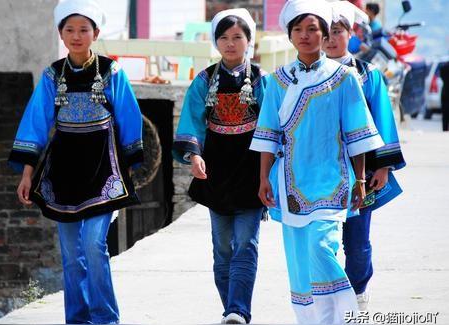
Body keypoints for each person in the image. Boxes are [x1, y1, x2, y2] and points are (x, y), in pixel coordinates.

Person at [8, 0, 143, 323]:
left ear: (96, 33)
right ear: (60, 34)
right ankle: (78, 319)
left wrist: (130, 169)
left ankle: (105, 318)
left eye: (84, 29)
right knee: (71, 255)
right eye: (69, 29)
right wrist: (27, 174)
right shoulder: (52, 75)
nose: (76, 35)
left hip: (103, 171)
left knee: (94, 246)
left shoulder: (113, 72)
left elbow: (129, 119)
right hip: (63, 173)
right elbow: (35, 125)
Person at [249, 0, 385, 323]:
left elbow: (358, 135)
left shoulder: (344, 78)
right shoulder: (278, 80)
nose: (305, 35)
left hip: (332, 183)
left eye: (313, 29)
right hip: (291, 184)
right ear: (290, 35)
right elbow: (268, 134)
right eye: (298, 29)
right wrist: (263, 178)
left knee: (321, 249)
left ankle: (342, 316)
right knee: (299, 265)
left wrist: (361, 179)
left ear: (325, 35)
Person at [172, 9, 267, 324]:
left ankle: (238, 310)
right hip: (217, 172)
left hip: (251, 170)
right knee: (222, 248)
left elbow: (273, 125)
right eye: (224, 37)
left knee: (246, 244)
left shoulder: (262, 79)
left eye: (237, 37)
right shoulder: (203, 80)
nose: (230, 43)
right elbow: (192, 123)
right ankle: (231, 308)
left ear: (248, 41)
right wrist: (194, 155)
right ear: (216, 41)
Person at [324, 1, 406, 311]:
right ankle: (330, 295)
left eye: (338, 32)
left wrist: (383, 165)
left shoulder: (368, 74)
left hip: (362, 173)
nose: (331, 39)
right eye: (326, 33)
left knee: (357, 243)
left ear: (351, 34)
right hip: (321, 172)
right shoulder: (308, 74)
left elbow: (383, 118)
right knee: (324, 241)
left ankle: (358, 289)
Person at [440, 61, 449, 131]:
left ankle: (445, 129)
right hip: (445, 92)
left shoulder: (444, 67)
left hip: (445, 91)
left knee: (445, 113)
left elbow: (441, 76)